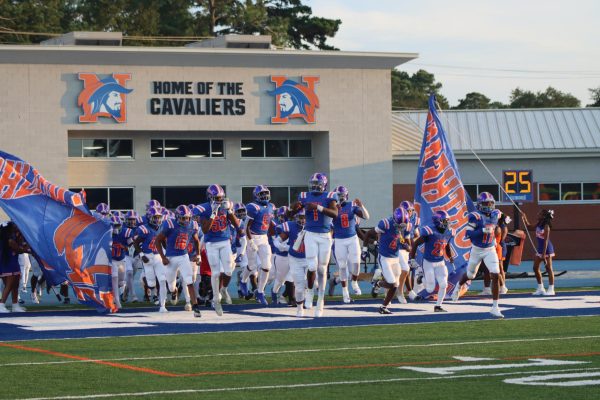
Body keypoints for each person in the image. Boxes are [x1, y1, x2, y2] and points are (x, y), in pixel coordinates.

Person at [290, 173, 338, 317]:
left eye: (318, 183)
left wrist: (318, 208)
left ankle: (321, 301)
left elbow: (334, 214)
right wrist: (295, 207)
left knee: (322, 269)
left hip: (325, 235)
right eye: (314, 183)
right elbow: (292, 210)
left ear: (324, 184)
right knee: (311, 266)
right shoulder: (304, 195)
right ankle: (310, 291)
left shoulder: (330, 196)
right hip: (310, 233)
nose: (315, 186)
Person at [450, 192, 504, 318]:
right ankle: (458, 287)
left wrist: (495, 238)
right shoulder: (475, 216)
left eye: (491, 203)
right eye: (486, 203)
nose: (489, 206)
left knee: (495, 274)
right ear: (479, 204)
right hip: (477, 249)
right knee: (470, 275)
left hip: (490, 249)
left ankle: (495, 307)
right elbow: (468, 235)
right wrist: (482, 231)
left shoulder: (496, 214)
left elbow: (498, 223)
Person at [197, 184, 241, 316]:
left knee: (228, 270)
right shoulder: (204, 208)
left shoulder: (225, 206)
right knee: (215, 273)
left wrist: (230, 211)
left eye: (220, 198)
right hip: (211, 243)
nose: (219, 200)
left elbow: (237, 225)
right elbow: (205, 230)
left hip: (225, 241)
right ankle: (216, 300)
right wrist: (213, 213)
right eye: (216, 198)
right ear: (210, 197)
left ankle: (224, 289)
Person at [155, 205, 202, 317]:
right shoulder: (169, 224)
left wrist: (198, 254)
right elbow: (158, 241)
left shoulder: (193, 225)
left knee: (189, 280)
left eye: (187, 218)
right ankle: (174, 291)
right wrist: (163, 257)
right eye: (183, 218)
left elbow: (196, 240)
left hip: (183, 256)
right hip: (170, 257)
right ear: (177, 217)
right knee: (171, 285)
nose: (186, 220)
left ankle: (195, 307)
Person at [330, 186, 369, 303]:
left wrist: (361, 205)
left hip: (352, 238)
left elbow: (366, 217)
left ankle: (354, 282)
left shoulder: (351, 205)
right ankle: (345, 293)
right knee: (342, 267)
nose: (340, 198)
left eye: (342, 195)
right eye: (338, 196)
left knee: (356, 263)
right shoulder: (332, 208)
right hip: (339, 240)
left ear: (346, 196)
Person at [409, 210, 454, 312]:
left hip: (440, 262)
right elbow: (416, 244)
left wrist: (450, 257)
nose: (447, 223)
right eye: (444, 221)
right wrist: (412, 258)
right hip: (428, 262)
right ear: (438, 221)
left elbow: (447, 245)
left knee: (443, 284)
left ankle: (438, 306)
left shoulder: (448, 232)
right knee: (430, 289)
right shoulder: (429, 231)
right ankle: (421, 277)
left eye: (447, 221)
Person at [369, 207, 411, 314]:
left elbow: (400, 240)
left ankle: (383, 306)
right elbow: (370, 233)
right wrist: (366, 247)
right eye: (399, 225)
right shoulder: (385, 223)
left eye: (403, 225)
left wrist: (406, 246)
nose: (401, 227)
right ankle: (378, 283)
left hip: (395, 258)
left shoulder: (402, 227)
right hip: (384, 258)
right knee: (393, 284)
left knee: (394, 285)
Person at [245, 185, 276, 306]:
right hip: (252, 236)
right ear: (256, 196)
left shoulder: (270, 206)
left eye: (265, 193)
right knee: (252, 266)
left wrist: (274, 237)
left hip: (264, 238)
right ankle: (243, 281)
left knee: (267, 265)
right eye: (261, 194)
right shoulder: (253, 207)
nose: (264, 196)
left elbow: (270, 223)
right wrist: (250, 240)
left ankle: (260, 291)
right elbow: (246, 226)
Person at [133, 206, 164, 310]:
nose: (157, 219)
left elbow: (164, 243)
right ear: (150, 217)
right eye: (155, 217)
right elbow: (136, 243)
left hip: (158, 255)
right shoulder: (144, 229)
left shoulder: (162, 228)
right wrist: (142, 255)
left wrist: (167, 254)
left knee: (161, 278)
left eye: (159, 217)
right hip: (147, 256)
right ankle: (153, 292)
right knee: (151, 283)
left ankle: (161, 301)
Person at [277, 210, 306, 317]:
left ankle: (306, 297)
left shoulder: (312, 228)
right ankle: (299, 308)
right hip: (295, 258)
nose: (303, 220)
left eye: (304, 217)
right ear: (296, 218)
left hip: (309, 258)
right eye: (301, 217)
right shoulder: (290, 226)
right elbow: (277, 240)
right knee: (298, 286)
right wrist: (284, 247)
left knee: (312, 283)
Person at [523, 209, 556, 296]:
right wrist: (524, 218)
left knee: (549, 268)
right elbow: (529, 227)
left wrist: (544, 254)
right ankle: (541, 288)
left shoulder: (546, 226)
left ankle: (551, 289)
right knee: (535, 268)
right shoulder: (539, 224)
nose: (537, 214)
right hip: (540, 249)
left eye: (540, 214)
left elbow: (546, 241)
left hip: (547, 249)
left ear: (544, 216)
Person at [0, 222, 27, 313]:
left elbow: (19, 248)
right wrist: (28, 250)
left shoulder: (12, 238)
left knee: (15, 285)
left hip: (13, 263)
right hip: (8, 264)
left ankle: (15, 305)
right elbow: (19, 250)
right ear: (10, 229)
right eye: (15, 226)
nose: (17, 226)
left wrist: (20, 237)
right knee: (9, 285)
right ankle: (1, 304)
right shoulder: (9, 240)